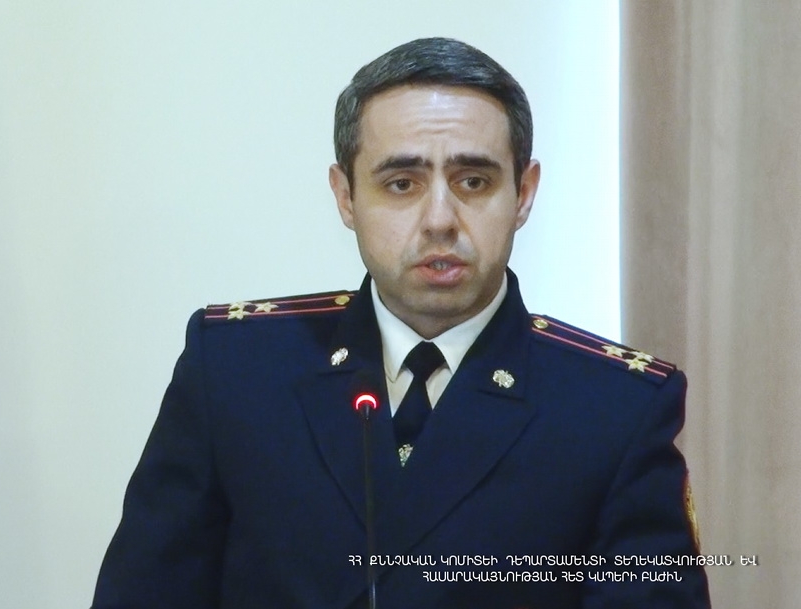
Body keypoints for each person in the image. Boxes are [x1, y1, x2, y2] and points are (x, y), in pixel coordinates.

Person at [91, 37, 710, 609]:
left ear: (523, 194)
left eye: (474, 181)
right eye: (402, 183)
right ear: (345, 196)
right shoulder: (235, 370)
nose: (440, 219)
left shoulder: (614, 410)